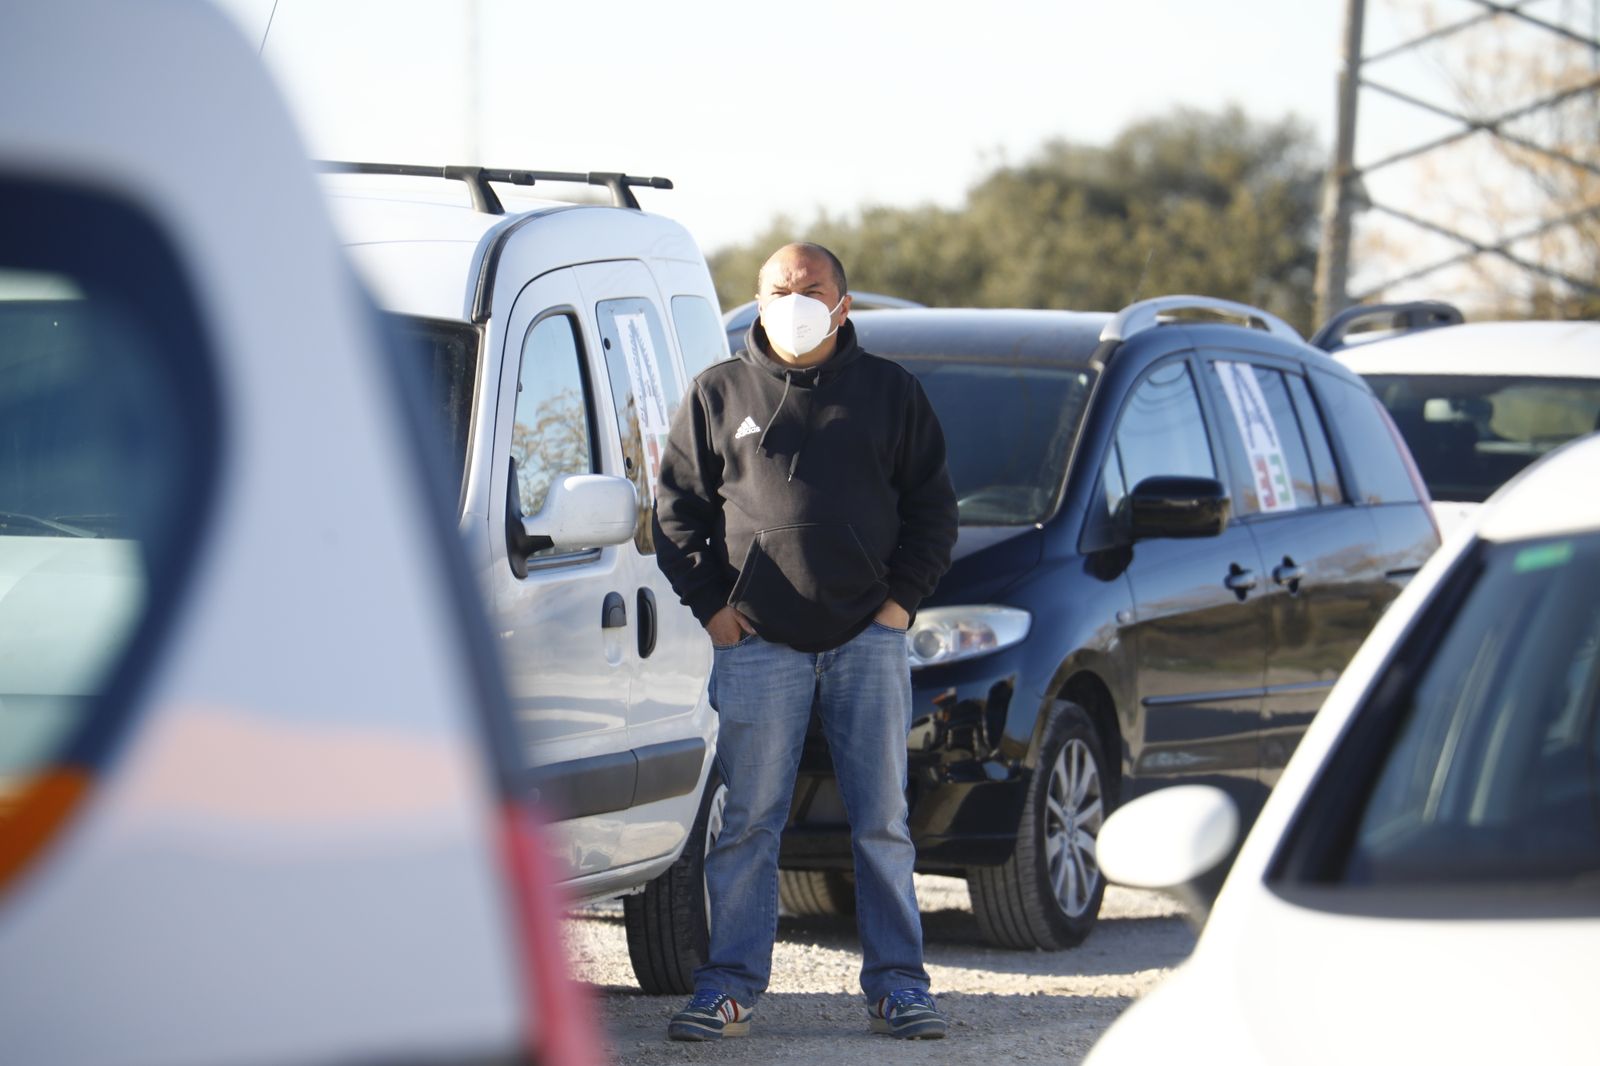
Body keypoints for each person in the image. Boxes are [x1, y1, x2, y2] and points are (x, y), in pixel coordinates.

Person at [652, 242, 959, 1042]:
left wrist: (898, 607)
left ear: (843, 304)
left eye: (811, 288)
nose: (795, 300)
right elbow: (677, 514)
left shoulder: (892, 394)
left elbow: (933, 512)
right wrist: (715, 609)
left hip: (869, 641)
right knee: (749, 819)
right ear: (756, 302)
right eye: (780, 289)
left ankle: (899, 987)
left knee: (882, 820)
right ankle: (728, 987)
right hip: (757, 647)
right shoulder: (717, 394)